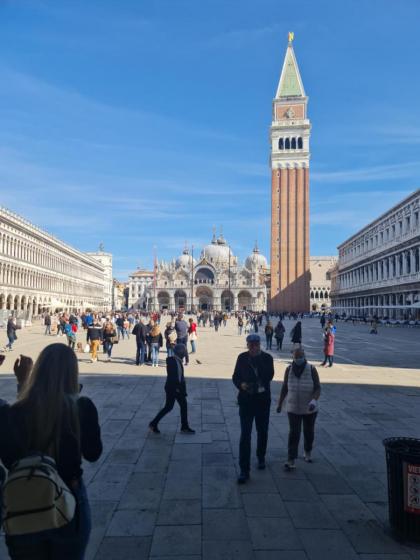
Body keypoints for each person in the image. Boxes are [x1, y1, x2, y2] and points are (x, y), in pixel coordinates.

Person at [0, 344, 102, 559]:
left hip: (23, 503)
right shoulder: (82, 407)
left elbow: (10, 458)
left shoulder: (16, 412)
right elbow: (93, 453)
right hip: (68, 499)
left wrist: (22, 384)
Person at [232, 334, 274, 484]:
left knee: (262, 431)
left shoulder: (267, 358)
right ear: (247, 344)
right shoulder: (242, 357)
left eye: (255, 345)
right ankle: (244, 469)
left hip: (262, 401)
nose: (252, 347)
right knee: (245, 435)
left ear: (259, 345)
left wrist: (257, 360)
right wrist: (241, 385)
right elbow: (235, 376)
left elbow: (268, 376)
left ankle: (261, 456)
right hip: (246, 401)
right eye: (250, 345)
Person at [277, 347, 321, 471]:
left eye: (300, 356)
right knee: (294, 433)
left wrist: (313, 400)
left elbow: (318, 388)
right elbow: (285, 387)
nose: (298, 359)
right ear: (293, 358)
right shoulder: (289, 369)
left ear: (304, 356)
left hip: (309, 408)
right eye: (296, 357)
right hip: (293, 407)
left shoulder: (312, 369)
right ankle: (291, 459)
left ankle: (307, 451)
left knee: (308, 431)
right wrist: (280, 403)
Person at [149, 344, 195, 434]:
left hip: (171, 388)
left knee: (170, 407)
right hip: (175, 389)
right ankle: (184, 426)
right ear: (181, 353)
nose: (185, 354)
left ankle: (154, 423)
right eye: (184, 353)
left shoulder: (174, 360)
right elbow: (177, 378)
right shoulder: (175, 363)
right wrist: (180, 390)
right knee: (179, 406)